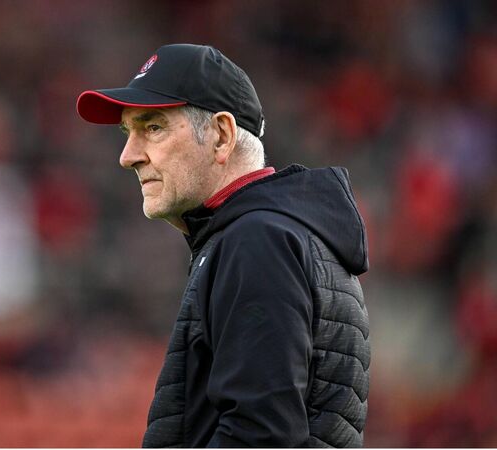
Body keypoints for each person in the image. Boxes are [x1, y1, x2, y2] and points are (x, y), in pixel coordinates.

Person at [76, 44, 370, 447]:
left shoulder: (258, 241)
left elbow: (261, 437)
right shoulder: (270, 234)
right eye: (128, 133)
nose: (127, 156)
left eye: (153, 128)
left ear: (221, 136)